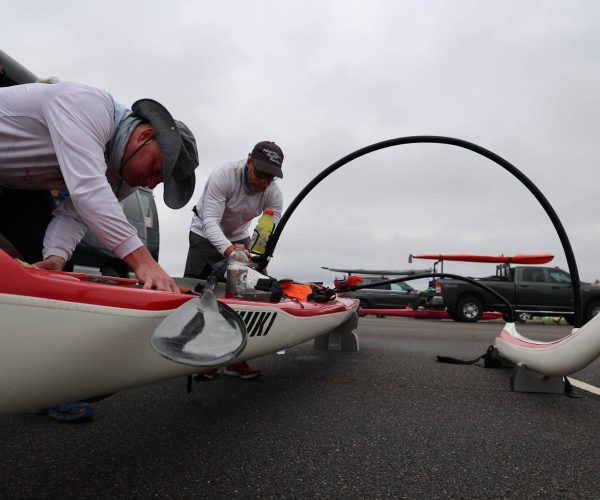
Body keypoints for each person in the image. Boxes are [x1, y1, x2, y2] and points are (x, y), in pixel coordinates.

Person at [0, 81, 199, 421]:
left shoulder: (118, 179)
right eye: (155, 171)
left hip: (14, 185)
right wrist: (143, 262)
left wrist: (56, 255)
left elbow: (75, 213)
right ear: (146, 135)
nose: (151, 184)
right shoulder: (87, 106)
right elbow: (88, 191)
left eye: (158, 182)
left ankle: (47, 385)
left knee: (54, 275)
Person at [184, 141, 284, 380]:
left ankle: (235, 358)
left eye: (270, 177)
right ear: (249, 161)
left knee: (241, 298)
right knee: (202, 296)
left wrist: (258, 259)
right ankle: (201, 359)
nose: (264, 182)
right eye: (260, 174)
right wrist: (229, 251)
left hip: (240, 237)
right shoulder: (225, 175)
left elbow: (268, 232)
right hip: (205, 234)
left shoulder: (273, 192)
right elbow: (210, 221)